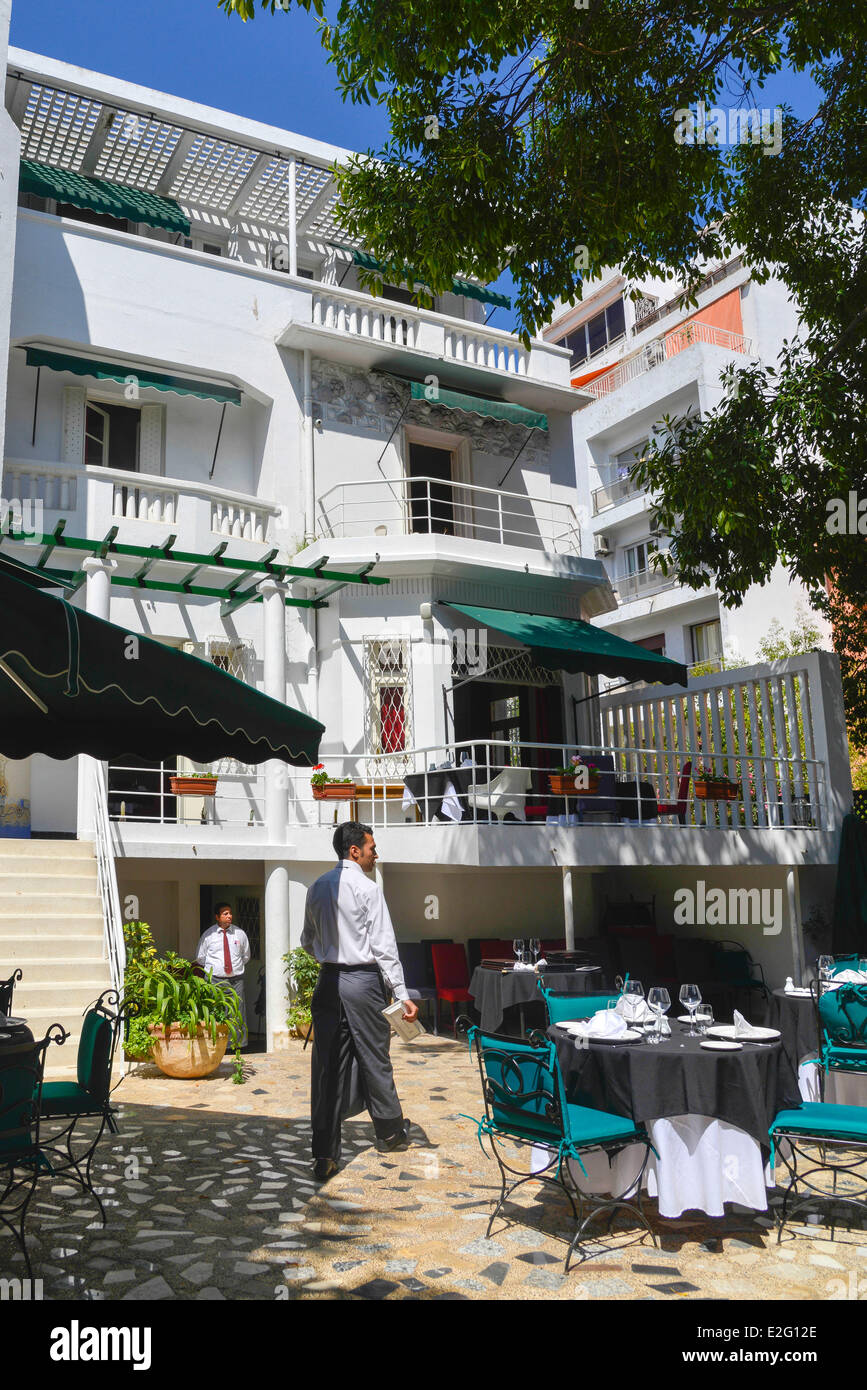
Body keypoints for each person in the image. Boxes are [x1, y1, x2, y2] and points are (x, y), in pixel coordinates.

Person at [301, 821, 419, 1182]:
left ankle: (324, 1155)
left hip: (327, 982)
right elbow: (384, 947)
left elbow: (307, 940)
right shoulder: (368, 888)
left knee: (326, 1068)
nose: (375, 853)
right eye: (371, 847)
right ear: (355, 850)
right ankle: (388, 1132)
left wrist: (329, 957)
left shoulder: (316, 888)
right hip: (362, 980)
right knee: (375, 1057)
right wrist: (402, 994)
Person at [196, 902, 251, 1049]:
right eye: (225, 914)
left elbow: (246, 956)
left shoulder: (240, 934)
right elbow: (201, 958)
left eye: (230, 913)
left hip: (236, 980)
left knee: (238, 1010)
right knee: (217, 1011)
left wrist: (234, 968)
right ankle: (218, 1045)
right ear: (217, 917)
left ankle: (238, 1045)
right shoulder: (208, 935)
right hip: (215, 980)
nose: (229, 916)